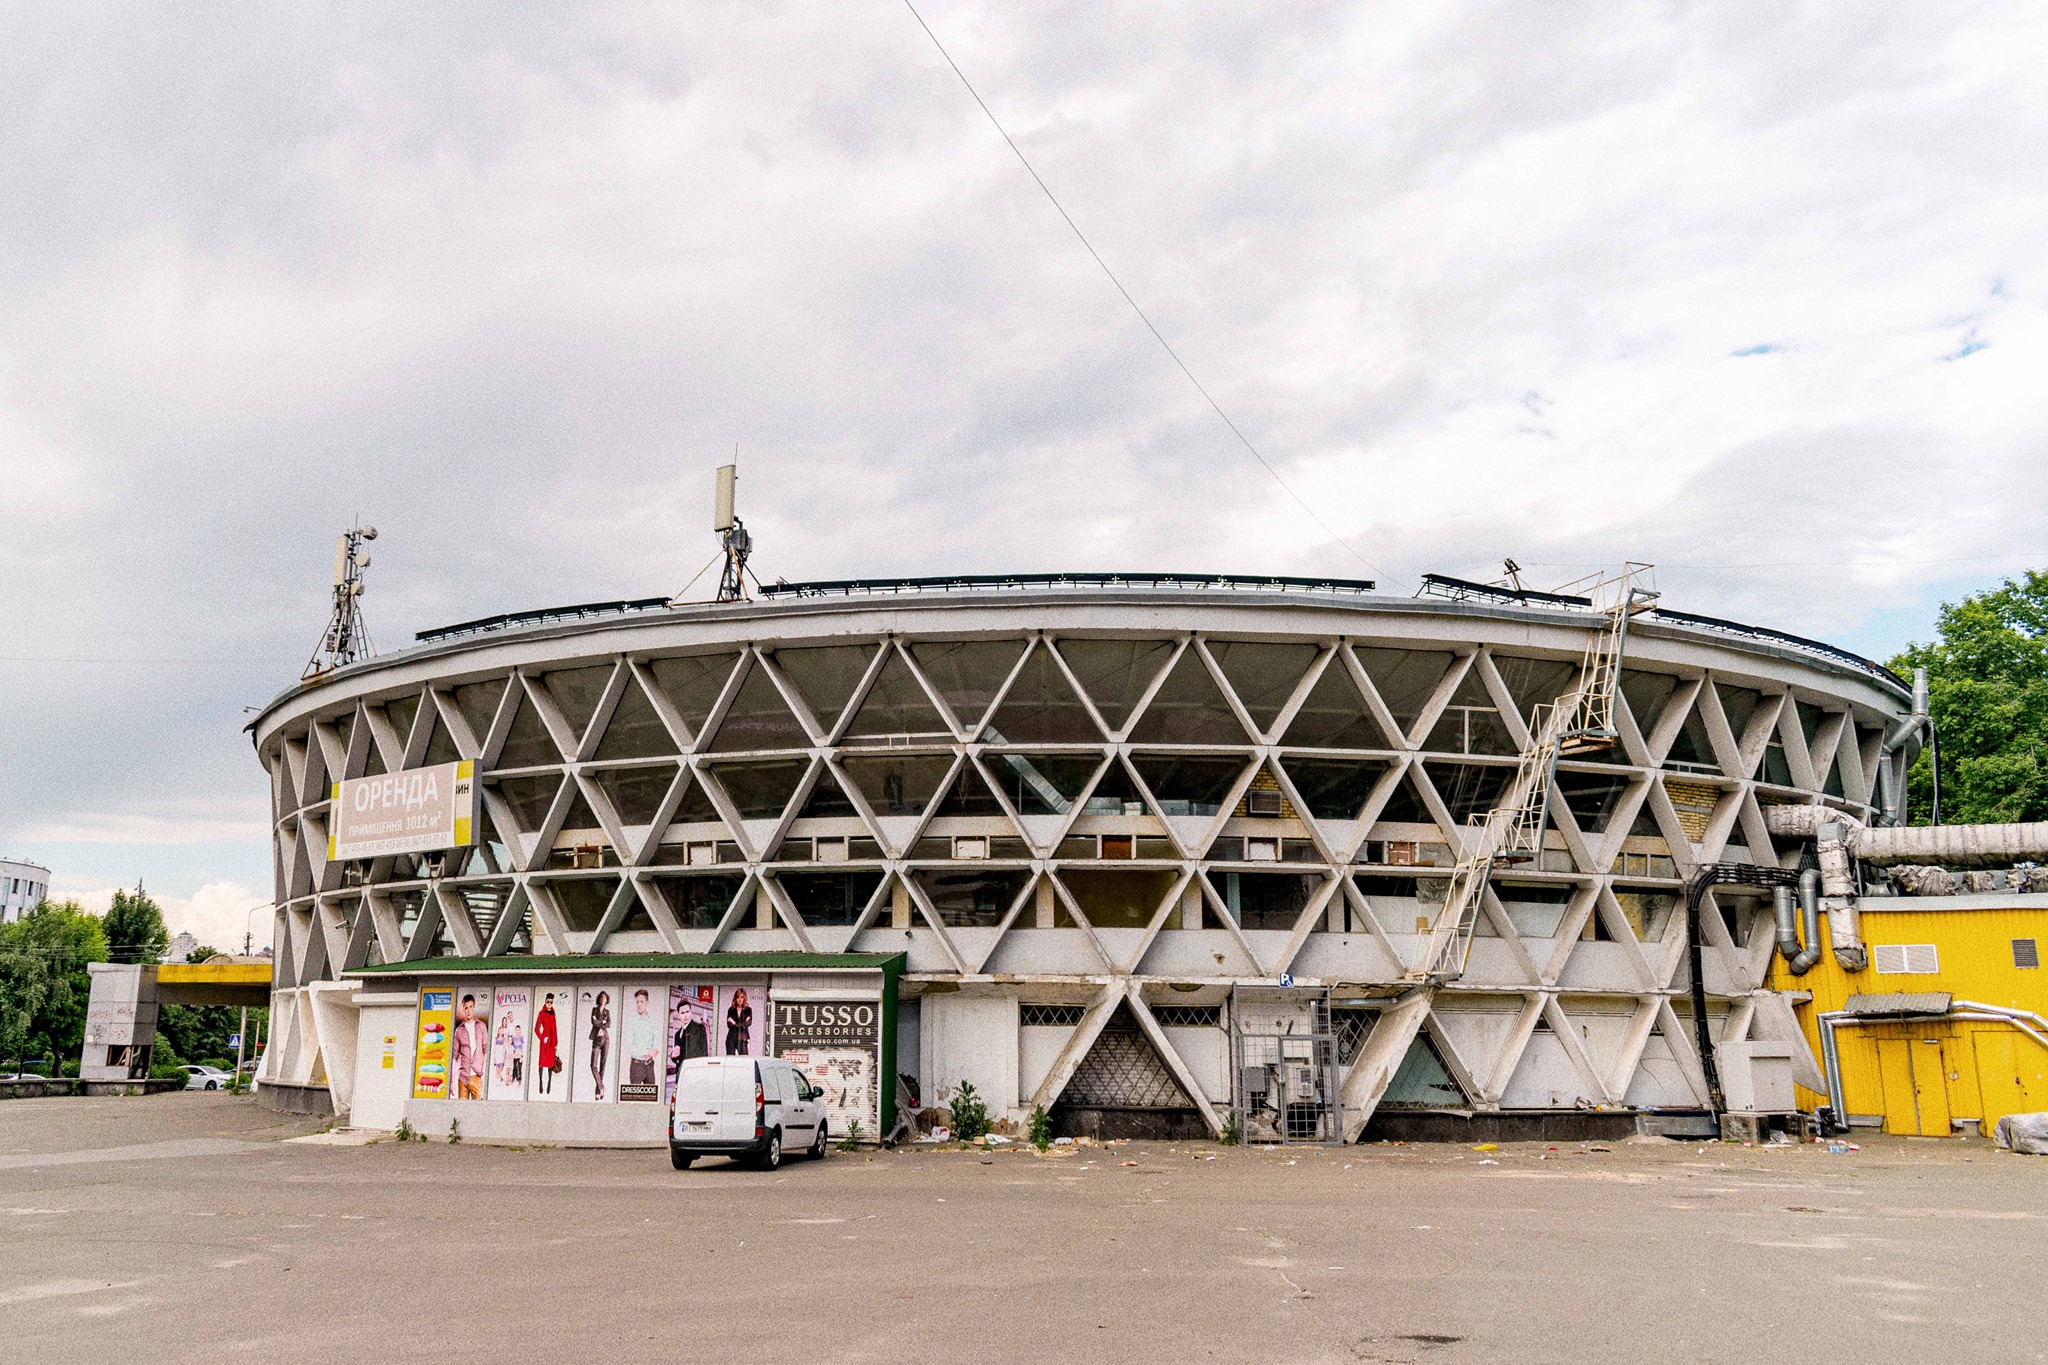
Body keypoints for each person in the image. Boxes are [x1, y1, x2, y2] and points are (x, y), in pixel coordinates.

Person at [450, 993, 488, 1100]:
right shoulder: (459, 1030)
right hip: (463, 1078)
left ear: (474, 1007)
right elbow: (454, 1056)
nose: (468, 1011)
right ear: (463, 1009)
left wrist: (483, 1073)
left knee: (479, 1111)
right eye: (466, 1008)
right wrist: (452, 1081)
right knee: (462, 1112)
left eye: (471, 1007)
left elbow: (486, 1050)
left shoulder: (481, 1026)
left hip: (477, 1076)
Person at [624, 988, 660, 1090]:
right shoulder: (632, 1022)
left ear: (647, 1002)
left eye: (642, 1001)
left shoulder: (652, 1021)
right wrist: (647, 1051)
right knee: (635, 1097)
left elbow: (655, 1040)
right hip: (637, 1066)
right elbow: (630, 1047)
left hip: (650, 1065)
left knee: (651, 1097)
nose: (639, 1004)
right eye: (637, 1002)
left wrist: (654, 1050)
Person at [586, 990, 611, 1100]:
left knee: (603, 1065)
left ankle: (598, 1091)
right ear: (599, 999)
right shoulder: (594, 1010)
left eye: (605, 998)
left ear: (607, 1000)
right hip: (596, 1039)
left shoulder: (607, 1012)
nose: (603, 999)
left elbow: (609, 1024)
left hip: (605, 1039)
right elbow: (593, 1022)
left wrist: (601, 1025)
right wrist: (602, 1023)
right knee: (593, 1065)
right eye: (601, 997)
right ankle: (601, 1087)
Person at [534, 994, 560, 1096]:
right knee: (541, 1062)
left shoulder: (553, 1013)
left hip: (552, 1041)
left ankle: (549, 1082)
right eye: (548, 1002)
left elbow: (555, 1027)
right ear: (545, 1001)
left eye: (551, 1002)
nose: (549, 1004)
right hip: (545, 1040)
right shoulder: (541, 1013)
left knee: (550, 1063)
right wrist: (542, 1037)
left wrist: (555, 1042)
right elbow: (536, 1028)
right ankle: (540, 1081)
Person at [723, 987, 753, 1056]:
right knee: (730, 1060)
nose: (740, 999)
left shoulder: (748, 1010)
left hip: (742, 1038)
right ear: (735, 998)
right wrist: (742, 1024)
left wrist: (735, 1023)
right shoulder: (731, 1009)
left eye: (742, 997)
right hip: (731, 1038)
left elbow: (748, 1023)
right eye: (738, 997)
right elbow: (729, 1025)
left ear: (744, 998)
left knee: (744, 1060)